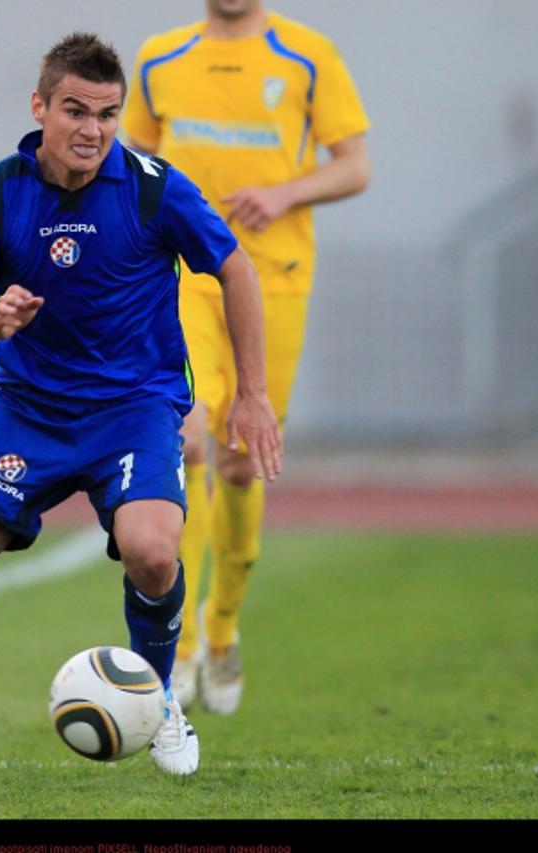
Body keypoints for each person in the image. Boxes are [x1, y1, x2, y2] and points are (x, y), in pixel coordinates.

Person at [0, 32, 281, 781]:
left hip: (135, 409)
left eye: (107, 114)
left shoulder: (153, 187)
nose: (92, 129)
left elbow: (235, 266)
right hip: (29, 413)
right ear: (39, 107)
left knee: (152, 549)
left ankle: (160, 698)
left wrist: (252, 393)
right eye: (75, 110)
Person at [120, 0, 370, 714]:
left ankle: (222, 630)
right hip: (187, 280)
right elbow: (132, 163)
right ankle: (184, 651)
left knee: (238, 460)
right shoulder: (161, 57)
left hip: (274, 277)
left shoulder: (306, 55)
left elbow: (354, 165)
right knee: (187, 433)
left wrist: (285, 192)